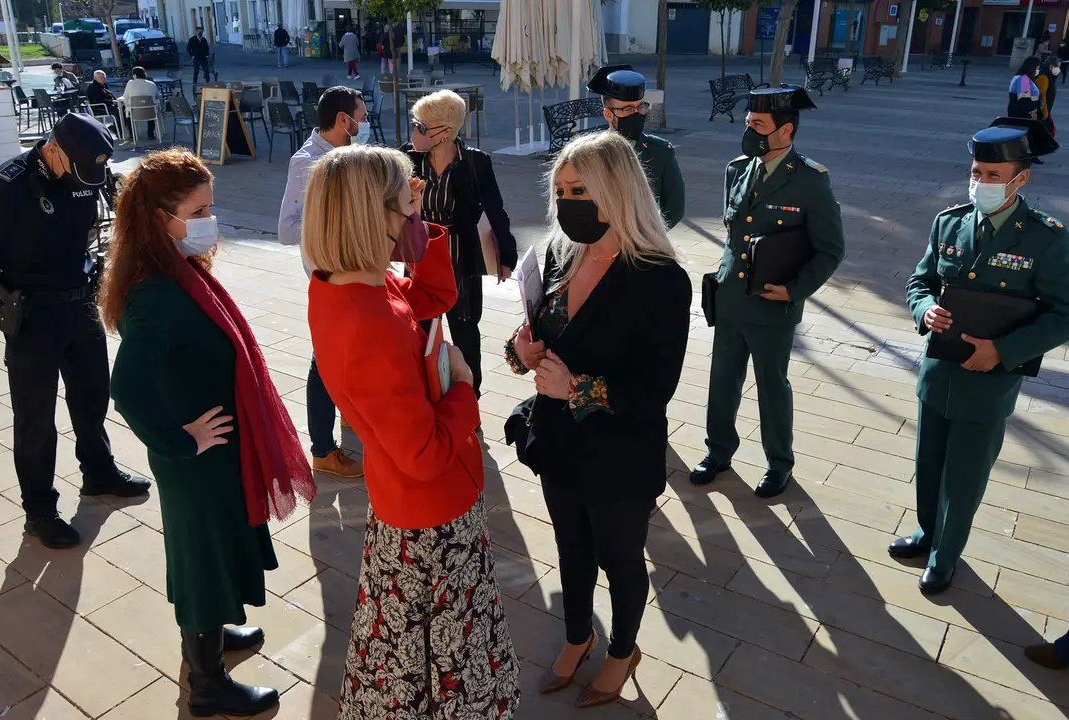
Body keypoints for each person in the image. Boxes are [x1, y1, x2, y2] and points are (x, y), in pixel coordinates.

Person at [303, 145, 520, 718]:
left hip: (408, 505)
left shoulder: (349, 284)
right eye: (405, 208)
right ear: (372, 218)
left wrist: (417, 222)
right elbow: (424, 454)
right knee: (444, 655)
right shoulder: (367, 317)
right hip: (430, 511)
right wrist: (463, 390)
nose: (412, 218)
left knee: (409, 647)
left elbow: (433, 295)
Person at [102, 149, 316, 716]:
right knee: (201, 560)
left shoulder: (173, 271)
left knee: (215, 550)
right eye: (199, 210)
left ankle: (212, 638)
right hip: (198, 458)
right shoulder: (156, 295)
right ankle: (206, 685)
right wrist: (179, 439)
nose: (209, 220)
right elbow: (126, 388)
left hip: (215, 450)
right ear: (160, 218)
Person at [503, 130, 690, 708]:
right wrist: (520, 349)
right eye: (560, 189)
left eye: (579, 188)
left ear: (617, 190)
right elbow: (535, 337)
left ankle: (622, 649)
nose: (567, 202)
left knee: (620, 557)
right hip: (559, 445)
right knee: (572, 550)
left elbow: (657, 389)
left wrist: (578, 387)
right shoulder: (559, 253)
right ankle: (578, 635)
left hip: (619, 453)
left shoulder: (660, 278)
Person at [892, 118, 1069, 594]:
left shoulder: (1045, 239)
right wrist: (925, 310)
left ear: (1021, 178)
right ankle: (928, 532)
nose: (981, 183)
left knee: (965, 475)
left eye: (994, 176)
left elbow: (1063, 313)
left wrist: (1004, 351)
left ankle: (946, 555)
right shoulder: (949, 222)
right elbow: (920, 282)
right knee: (928, 464)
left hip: (988, 381)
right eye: (976, 173)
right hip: (938, 373)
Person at [0, 113, 151, 549]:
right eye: (79, 168)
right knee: (36, 419)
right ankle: (39, 509)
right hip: (33, 317)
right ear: (53, 147)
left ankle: (98, 473)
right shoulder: (7, 186)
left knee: (92, 397)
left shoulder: (85, 171)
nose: (88, 178)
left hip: (80, 306)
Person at [689, 87, 845, 498]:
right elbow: (733, 236)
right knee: (722, 380)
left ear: (786, 130)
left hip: (774, 304)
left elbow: (830, 249)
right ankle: (718, 451)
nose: (749, 132)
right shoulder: (737, 169)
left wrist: (794, 290)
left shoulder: (810, 181)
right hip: (731, 298)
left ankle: (779, 463)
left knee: (772, 386)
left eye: (758, 125)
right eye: (748, 124)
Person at [277, 87, 368, 479]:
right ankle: (322, 448)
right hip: (328, 276)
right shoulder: (307, 164)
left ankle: (348, 414)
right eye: (361, 118)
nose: (365, 125)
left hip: (354, 269)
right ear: (343, 121)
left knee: (350, 351)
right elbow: (286, 229)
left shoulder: (348, 156)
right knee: (325, 359)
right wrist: (333, 227)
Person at [402, 89, 517, 399]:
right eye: (416, 123)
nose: (415, 131)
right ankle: (425, 397)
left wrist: (506, 255)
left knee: (465, 333)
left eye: (423, 126)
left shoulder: (476, 162)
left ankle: (469, 399)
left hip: (459, 259)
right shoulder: (407, 158)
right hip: (419, 257)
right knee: (419, 332)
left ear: (446, 132)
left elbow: (495, 210)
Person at [587, 64, 685, 229]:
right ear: (608, 114)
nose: (637, 114)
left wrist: (648, 237)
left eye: (641, 107)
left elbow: (674, 208)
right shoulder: (590, 154)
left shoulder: (660, 153)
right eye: (628, 109)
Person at [123, 66, 158, 141]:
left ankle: (132, 135)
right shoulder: (151, 84)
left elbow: (125, 96)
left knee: (127, 112)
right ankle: (150, 133)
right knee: (150, 107)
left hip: (135, 112)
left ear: (134, 75)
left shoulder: (130, 83)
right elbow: (156, 96)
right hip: (150, 112)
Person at [87, 69, 123, 138]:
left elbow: (110, 95)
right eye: (101, 77)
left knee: (123, 109)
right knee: (118, 111)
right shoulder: (92, 87)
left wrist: (115, 101)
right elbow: (98, 100)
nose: (103, 79)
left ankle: (116, 127)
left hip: (107, 105)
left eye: (104, 77)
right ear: (95, 78)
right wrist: (112, 101)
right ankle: (118, 131)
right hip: (99, 107)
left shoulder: (104, 85)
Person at [1036, 57, 1060, 135]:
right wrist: (1045, 111)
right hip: (1041, 111)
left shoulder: (1049, 76)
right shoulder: (1044, 77)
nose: (1058, 69)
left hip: (1046, 110)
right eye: (1057, 66)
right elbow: (1041, 95)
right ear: (1051, 66)